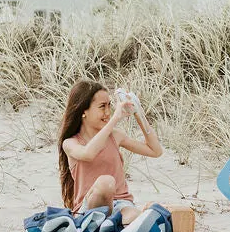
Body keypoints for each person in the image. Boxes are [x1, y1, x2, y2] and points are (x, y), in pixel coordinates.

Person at [58, 80, 163, 224]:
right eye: (102, 106)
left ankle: (124, 225)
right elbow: (88, 154)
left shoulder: (115, 136)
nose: (108, 112)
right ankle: (110, 225)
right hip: (88, 209)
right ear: (83, 111)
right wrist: (115, 119)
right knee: (106, 183)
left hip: (121, 205)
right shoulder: (70, 143)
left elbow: (155, 151)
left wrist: (138, 113)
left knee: (135, 217)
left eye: (109, 105)